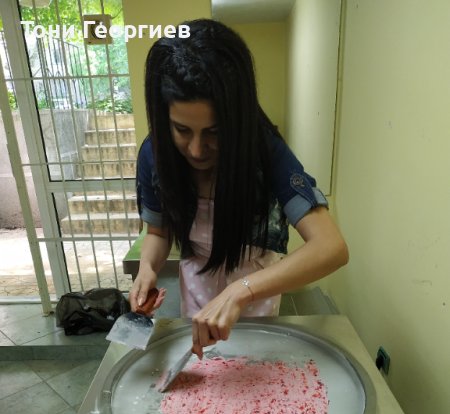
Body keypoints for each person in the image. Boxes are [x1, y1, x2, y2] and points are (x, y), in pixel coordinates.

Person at [130, 18, 349, 358]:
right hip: (196, 294)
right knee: (205, 368)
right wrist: (147, 268)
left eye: (215, 132)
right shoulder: (154, 154)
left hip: (256, 295)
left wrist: (240, 291)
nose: (197, 150)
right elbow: (158, 233)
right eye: (182, 130)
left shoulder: (264, 149)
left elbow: (331, 247)